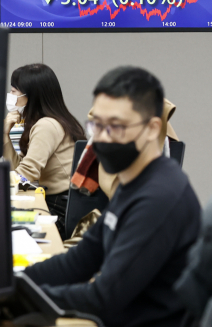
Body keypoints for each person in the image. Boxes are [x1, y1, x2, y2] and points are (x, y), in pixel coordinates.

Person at [24, 66, 201, 327]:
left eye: (116, 126)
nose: (102, 138)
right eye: (97, 125)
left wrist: (21, 298)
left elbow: (104, 297)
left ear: (153, 128)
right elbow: (79, 261)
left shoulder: (159, 198)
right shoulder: (133, 183)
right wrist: (16, 283)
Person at [3, 64, 85, 236]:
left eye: (14, 92)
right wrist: (5, 136)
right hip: (60, 202)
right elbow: (22, 169)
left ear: (31, 96)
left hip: (61, 209)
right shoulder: (48, 122)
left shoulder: (46, 125)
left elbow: (26, 175)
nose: (11, 97)